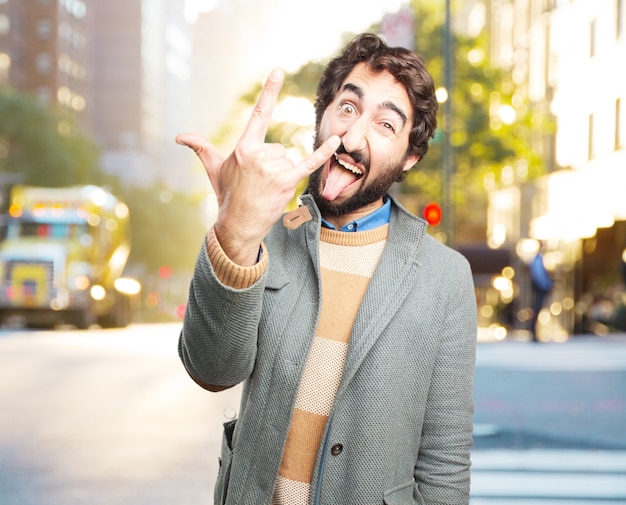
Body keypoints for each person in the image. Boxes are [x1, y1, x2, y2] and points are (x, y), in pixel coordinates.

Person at [176, 33, 477, 505]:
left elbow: (445, 458)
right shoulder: (263, 236)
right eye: (348, 108)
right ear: (322, 116)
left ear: (410, 158)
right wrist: (234, 231)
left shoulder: (444, 278)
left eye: (385, 124)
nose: (353, 138)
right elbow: (212, 369)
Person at [529, 246, 553, 342]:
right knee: (536, 310)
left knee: (537, 310)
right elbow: (539, 275)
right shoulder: (538, 260)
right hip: (540, 288)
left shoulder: (538, 260)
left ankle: (534, 332)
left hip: (540, 287)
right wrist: (546, 285)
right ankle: (533, 332)